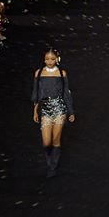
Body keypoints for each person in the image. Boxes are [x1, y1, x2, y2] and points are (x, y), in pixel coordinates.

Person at [31, 48, 74, 177]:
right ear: (44, 59)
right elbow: (36, 93)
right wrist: (35, 111)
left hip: (59, 107)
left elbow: (66, 93)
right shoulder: (39, 73)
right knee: (46, 142)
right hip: (45, 108)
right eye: (47, 59)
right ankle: (50, 161)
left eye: (52, 59)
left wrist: (71, 111)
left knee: (55, 139)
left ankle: (52, 166)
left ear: (57, 59)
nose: (49, 61)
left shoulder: (62, 73)